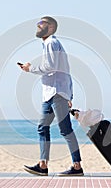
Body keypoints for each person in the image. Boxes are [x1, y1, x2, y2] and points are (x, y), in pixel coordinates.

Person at [19, 16, 83, 176]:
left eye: (42, 24)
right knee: (42, 127)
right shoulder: (49, 44)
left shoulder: (51, 43)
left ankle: (77, 167)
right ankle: (43, 165)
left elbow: (50, 66)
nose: (38, 26)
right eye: (38, 24)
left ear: (51, 28)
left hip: (56, 93)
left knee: (65, 129)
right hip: (51, 94)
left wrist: (30, 68)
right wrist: (70, 95)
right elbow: (65, 71)